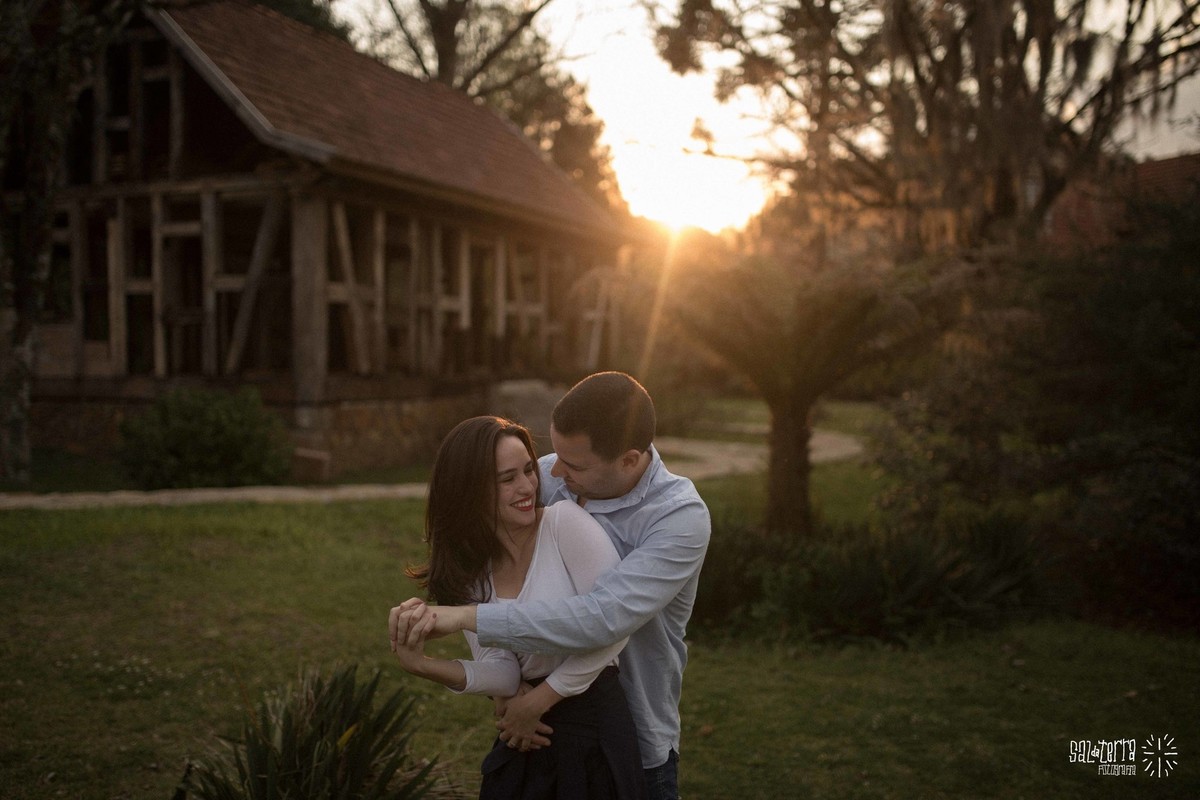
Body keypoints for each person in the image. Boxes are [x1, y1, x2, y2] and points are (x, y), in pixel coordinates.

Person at [392, 373, 711, 800]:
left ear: (629, 461)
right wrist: (505, 692)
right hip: (538, 732)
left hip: (634, 728)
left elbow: (604, 621)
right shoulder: (545, 477)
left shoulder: (678, 518)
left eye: (573, 465)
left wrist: (535, 694)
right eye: (553, 456)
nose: (550, 473)